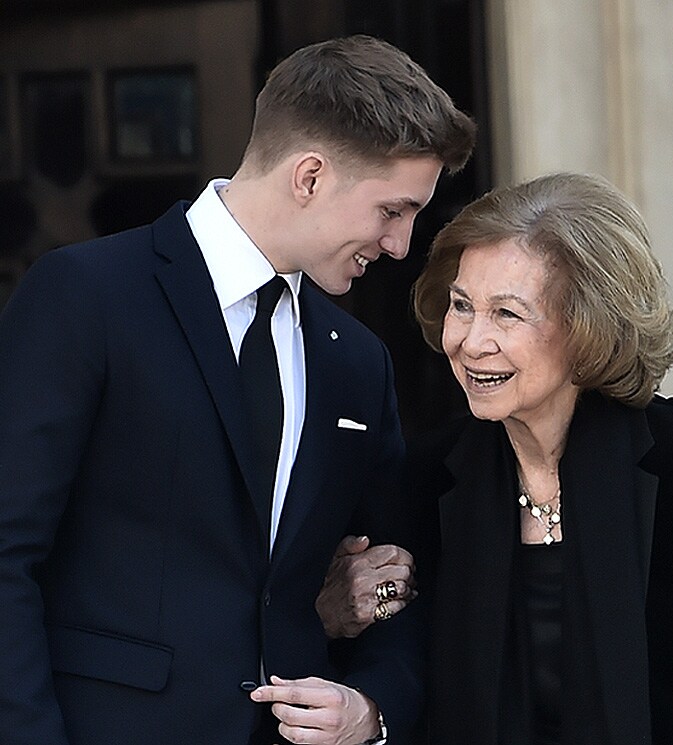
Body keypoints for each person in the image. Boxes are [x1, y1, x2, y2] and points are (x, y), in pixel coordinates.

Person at [0, 35, 475, 745]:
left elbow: (390, 582)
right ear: (309, 176)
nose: (401, 245)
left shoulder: (358, 363)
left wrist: (372, 706)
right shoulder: (85, 295)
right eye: (392, 211)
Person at [318, 172, 673, 744]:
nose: (471, 341)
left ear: (589, 324)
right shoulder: (418, 482)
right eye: (462, 306)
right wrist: (342, 613)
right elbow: (393, 666)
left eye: (508, 314)